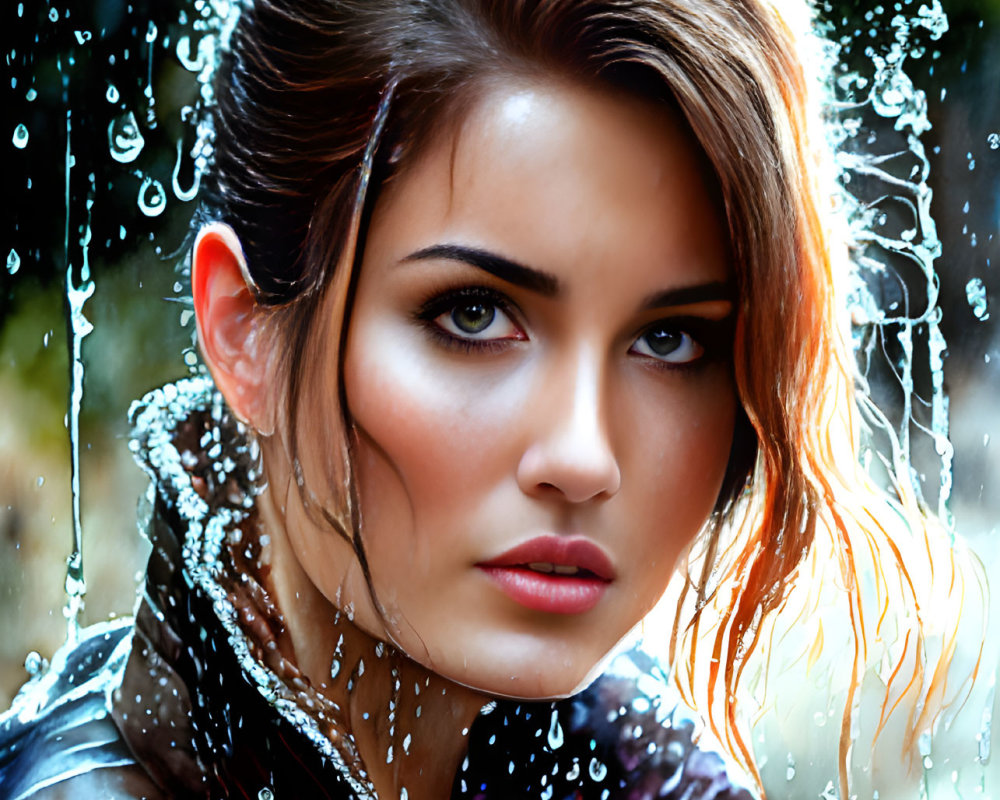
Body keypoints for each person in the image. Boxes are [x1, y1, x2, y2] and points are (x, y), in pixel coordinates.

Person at [0, 0, 981, 798]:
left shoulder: (636, 759)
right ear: (243, 330)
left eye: (671, 337)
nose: (584, 454)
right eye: (472, 314)